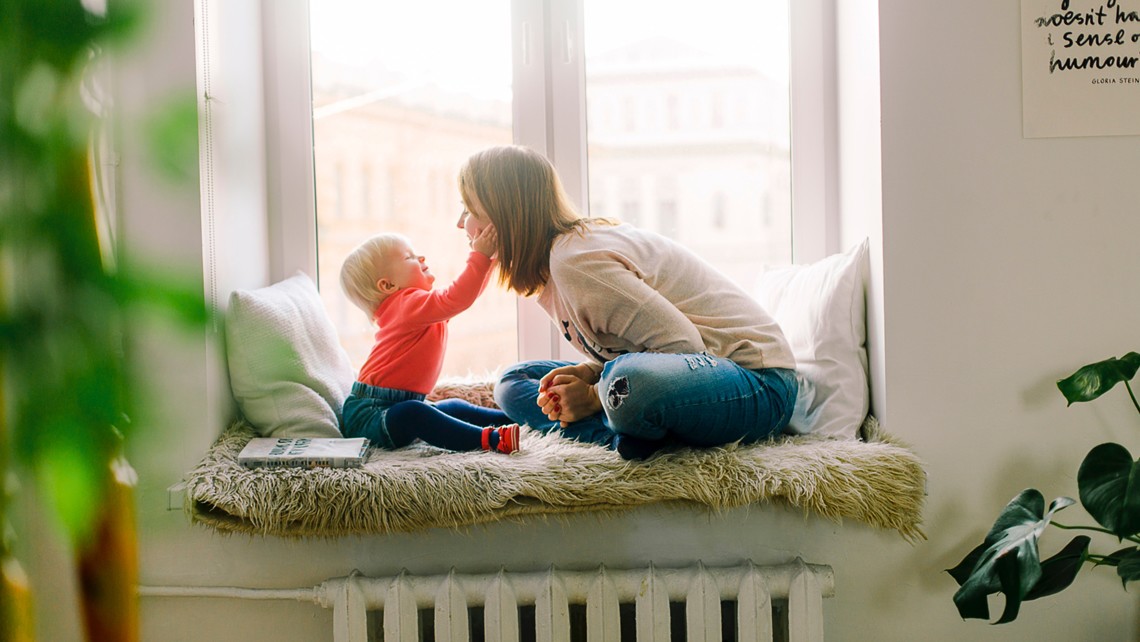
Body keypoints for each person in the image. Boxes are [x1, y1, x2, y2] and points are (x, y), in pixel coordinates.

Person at [456, 144, 797, 460]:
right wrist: (593, 374)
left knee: (627, 383)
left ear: (506, 216)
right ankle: (624, 436)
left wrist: (591, 396)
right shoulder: (553, 269)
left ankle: (620, 428)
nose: (461, 223)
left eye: (470, 209)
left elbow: (685, 347)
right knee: (515, 382)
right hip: (688, 375)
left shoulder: (575, 262)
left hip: (758, 383)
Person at [339, 227, 520, 454]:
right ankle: (490, 440)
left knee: (452, 407)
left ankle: (514, 419)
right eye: (409, 257)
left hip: (394, 405)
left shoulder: (417, 309)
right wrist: (481, 257)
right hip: (370, 415)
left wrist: (490, 260)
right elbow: (457, 297)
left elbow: (465, 297)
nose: (421, 257)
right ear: (388, 286)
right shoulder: (406, 305)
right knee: (414, 414)